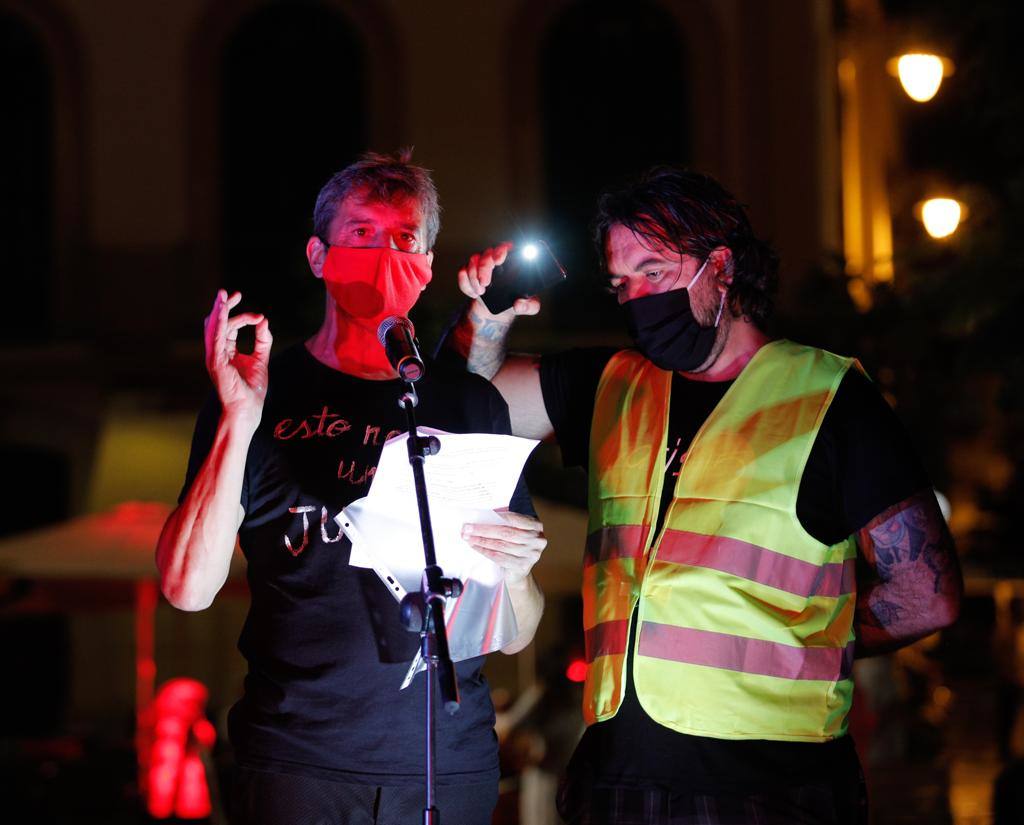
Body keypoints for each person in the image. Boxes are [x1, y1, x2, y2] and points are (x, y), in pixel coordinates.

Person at [449, 167, 962, 823]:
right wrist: (488, 320)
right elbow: (469, 408)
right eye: (621, 283)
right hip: (615, 777)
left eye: (655, 272)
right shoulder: (613, 382)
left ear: (721, 267)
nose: (635, 298)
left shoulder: (830, 398)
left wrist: (816, 639)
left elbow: (929, 592)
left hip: (770, 791)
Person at [156, 150, 547, 825]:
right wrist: (238, 420)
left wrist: (517, 571)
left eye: (405, 239)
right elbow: (188, 588)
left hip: (444, 763)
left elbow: (516, 632)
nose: (384, 254)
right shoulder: (258, 393)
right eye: (362, 233)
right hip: (298, 762)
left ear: (426, 267)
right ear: (318, 255)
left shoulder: (468, 404)